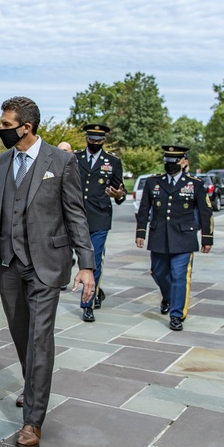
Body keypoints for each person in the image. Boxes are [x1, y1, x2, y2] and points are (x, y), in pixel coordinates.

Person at [0, 96, 95, 447]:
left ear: (26, 127)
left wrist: (86, 264)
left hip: (46, 264)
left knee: (40, 338)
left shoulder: (62, 160)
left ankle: (32, 421)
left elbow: (75, 215)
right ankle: (34, 385)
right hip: (8, 264)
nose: (1, 130)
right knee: (20, 333)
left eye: (6, 125)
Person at [135, 146, 214, 331]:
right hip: (159, 235)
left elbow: (205, 212)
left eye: (175, 162)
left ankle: (177, 315)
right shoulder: (153, 182)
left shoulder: (195, 183)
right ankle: (169, 296)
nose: (170, 165)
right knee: (158, 272)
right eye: (167, 161)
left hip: (184, 237)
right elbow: (144, 208)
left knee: (180, 276)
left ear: (183, 161)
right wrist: (140, 232)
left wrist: (207, 238)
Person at [76, 123, 126, 322]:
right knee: (73, 257)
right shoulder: (75, 159)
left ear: (104, 140)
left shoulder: (112, 161)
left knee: (93, 261)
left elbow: (119, 190)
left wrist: (119, 194)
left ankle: (87, 304)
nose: (95, 142)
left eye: (99, 140)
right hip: (76, 216)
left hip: (99, 218)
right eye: (92, 139)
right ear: (87, 138)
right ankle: (96, 289)